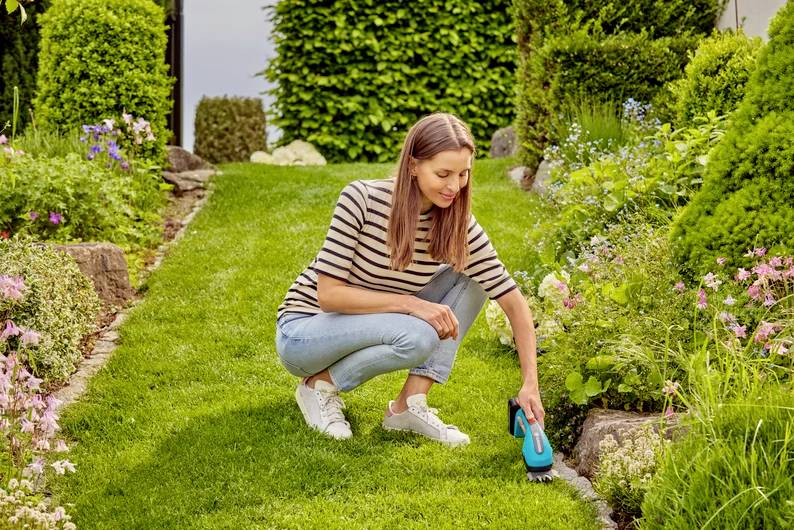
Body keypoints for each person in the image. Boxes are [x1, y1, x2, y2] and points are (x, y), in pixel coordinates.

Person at [274, 112, 544, 447]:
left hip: (375, 320)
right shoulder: (362, 199)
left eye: (463, 174)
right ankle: (318, 386)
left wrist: (530, 383)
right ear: (413, 165)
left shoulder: (459, 226)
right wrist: (412, 305)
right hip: (306, 331)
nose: (454, 186)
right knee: (418, 335)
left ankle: (407, 407)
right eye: (443, 173)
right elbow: (329, 295)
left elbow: (513, 302)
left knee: (477, 278)